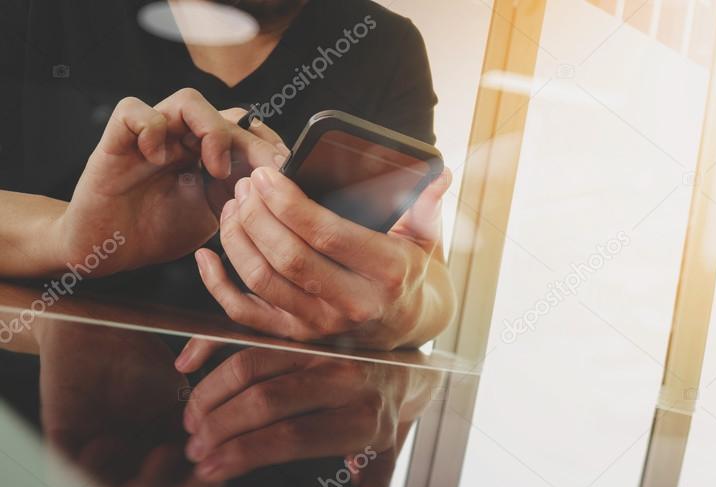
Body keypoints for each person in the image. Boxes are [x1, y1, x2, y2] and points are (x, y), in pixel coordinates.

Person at [0, 0, 455, 350]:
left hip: (282, 429)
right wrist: (64, 238)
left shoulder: (383, 45)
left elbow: (427, 281)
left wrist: (394, 309)